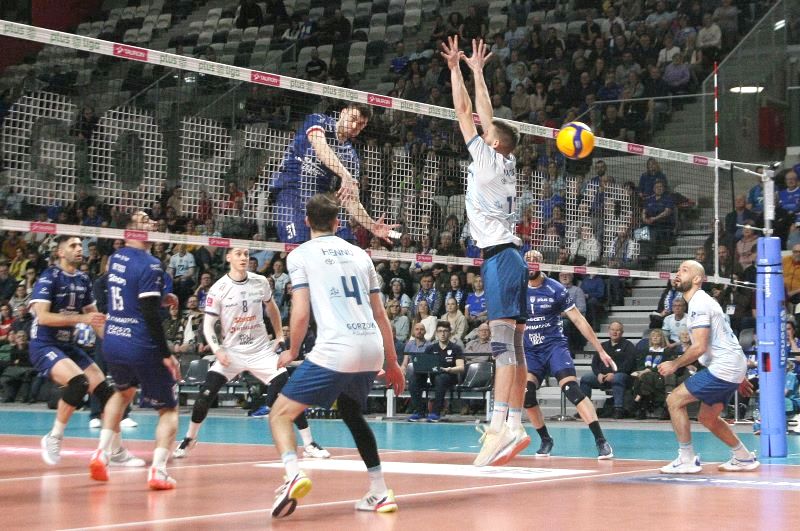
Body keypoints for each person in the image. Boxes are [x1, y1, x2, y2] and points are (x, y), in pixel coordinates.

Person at [267, 193, 405, 518]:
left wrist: (292, 350)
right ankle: (379, 492)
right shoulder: (360, 254)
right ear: (336, 222)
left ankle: (293, 474)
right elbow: (381, 314)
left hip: (338, 348)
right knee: (350, 410)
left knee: (279, 414)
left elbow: (301, 312)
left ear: (306, 222)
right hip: (371, 347)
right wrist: (392, 362)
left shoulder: (299, 255)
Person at [444, 36, 530, 467]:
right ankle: (514, 423)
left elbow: (467, 112)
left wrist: (456, 70)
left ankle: (497, 428)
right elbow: (484, 115)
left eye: (488, 133)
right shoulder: (506, 161)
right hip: (512, 257)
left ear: (494, 143)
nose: (482, 130)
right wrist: (475, 70)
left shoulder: (488, 159)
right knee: (515, 345)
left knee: (501, 346)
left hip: (500, 258)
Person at [173, 247, 329, 460]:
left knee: (288, 394)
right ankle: (190, 438)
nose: (243, 258)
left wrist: (279, 336)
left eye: (246, 254)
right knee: (205, 395)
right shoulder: (218, 289)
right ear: (228, 257)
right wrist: (218, 350)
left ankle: (309, 443)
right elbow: (208, 325)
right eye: (238, 254)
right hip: (232, 353)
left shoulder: (260, 281)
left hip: (261, 351)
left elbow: (272, 308)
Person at [89, 212, 182, 489]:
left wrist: (160, 298)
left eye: (151, 220)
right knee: (169, 409)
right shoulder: (152, 265)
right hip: (140, 342)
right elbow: (149, 314)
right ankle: (158, 471)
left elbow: (132, 295)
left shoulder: (116, 258)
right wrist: (165, 353)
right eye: (143, 220)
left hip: (113, 338)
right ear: (130, 230)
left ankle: (101, 452)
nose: (151, 223)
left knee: (123, 392)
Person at [30, 236, 141, 469]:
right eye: (73, 246)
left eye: (80, 245)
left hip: (68, 345)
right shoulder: (49, 277)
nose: (79, 249)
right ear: (60, 252)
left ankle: (116, 451)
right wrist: (82, 318)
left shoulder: (83, 279)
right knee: (79, 382)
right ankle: (54, 437)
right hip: (44, 344)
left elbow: (96, 320)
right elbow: (44, 317)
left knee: (108, 395)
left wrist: (117, 345)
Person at [657, 260, 759, 473]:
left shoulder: (699, 303)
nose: (678, 274)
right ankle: (743, 457)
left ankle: (686, 458)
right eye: (678, 270)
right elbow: (724, 339)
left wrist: (674, 364)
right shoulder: (702, 302)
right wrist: (739, 375)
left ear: (697, 279)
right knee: (707, 417)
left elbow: (699, 347)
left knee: (674, 400)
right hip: (730, 365)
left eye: (684, 270)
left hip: (725, 366)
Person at [520, 251, 615, 460]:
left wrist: (600, 349)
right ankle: (546, 439)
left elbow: (579, 320)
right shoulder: (517, 288)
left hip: (554, 347)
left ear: (542, 264)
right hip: (531, 350)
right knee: (527, 394)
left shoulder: (555, 289)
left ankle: (601, 441)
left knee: (571, 389)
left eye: (535, 261)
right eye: (528, 261)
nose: (531, 264)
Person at [269, 103, 395, 244]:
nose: (355, 126)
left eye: (361, 124)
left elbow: (351, 200)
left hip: (321, 203)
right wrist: (345, 175)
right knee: (300, 246)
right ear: (343, 113)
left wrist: (372, 226)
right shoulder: (318, 120)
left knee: (347, 244)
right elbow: (321, 148)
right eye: (353, 119)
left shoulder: (351, 156)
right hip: (292, 191)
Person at [407, 321, 465, 422]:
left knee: (440, 378)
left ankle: (435, 412)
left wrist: (449, 369)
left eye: (445, 331)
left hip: (449, 376)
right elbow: (425, 365)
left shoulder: (456, 348)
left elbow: (461, 367)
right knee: (414, 377)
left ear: (449, 333)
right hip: (432, 376)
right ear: (437, 333)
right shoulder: (430, 348)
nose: (443, 334)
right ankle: (419, 411)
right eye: (440, 331)